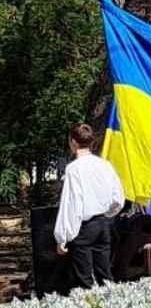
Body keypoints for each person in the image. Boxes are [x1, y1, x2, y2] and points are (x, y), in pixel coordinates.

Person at [53, 123, 126, 290]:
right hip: (104, 225)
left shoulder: (73, 169)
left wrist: (62, 237)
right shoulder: (105, 165)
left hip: (84, 228)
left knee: (84, 280)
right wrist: (108, 215)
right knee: (105, 276)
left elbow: (70, 205)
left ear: (73, 142)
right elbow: (118, 197)